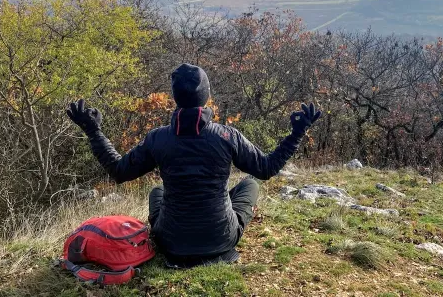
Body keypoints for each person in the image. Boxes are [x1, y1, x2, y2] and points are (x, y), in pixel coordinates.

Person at [66, 63, 321, 267]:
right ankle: (217, 221)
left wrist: (93, 130)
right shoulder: (226, 135)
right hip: (222, 239)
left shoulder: (159, 138)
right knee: (250, 183)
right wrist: (297, 132)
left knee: (157, 192)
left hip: (171, 243)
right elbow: (267, 168)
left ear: (175, 97)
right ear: (206, 96)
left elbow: (120, 171)